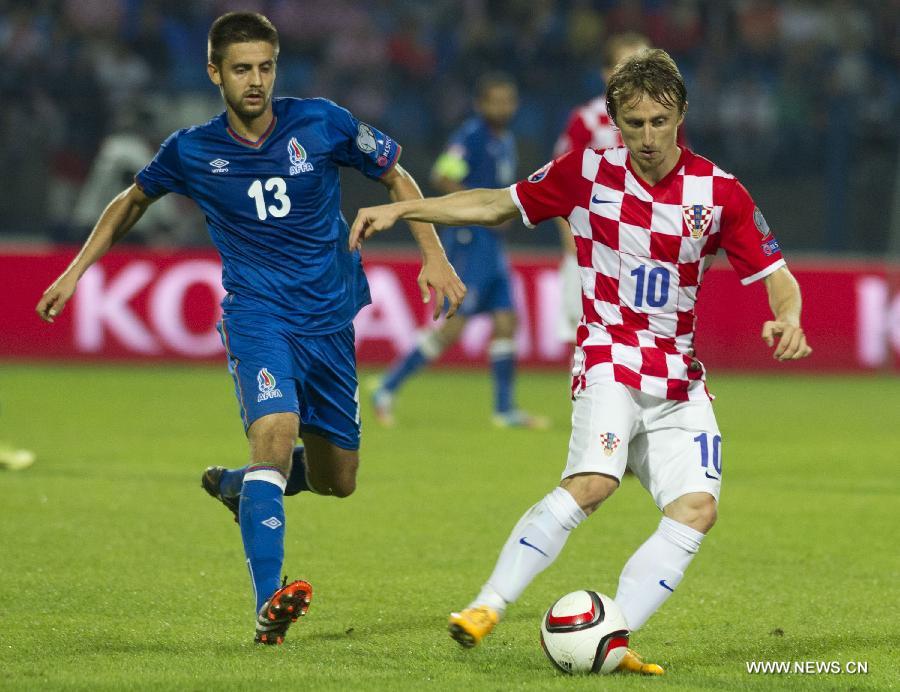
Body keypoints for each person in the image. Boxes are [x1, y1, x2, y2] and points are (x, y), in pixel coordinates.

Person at [350, 48, 812, 675]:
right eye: (633, 123)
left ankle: (608, 637)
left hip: (678, 376)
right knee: (595, 482)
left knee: (697, 510)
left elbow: (776, 275)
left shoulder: (720, 192)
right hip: (610, 354)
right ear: (615, 121)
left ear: (680, 115)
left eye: (659, 121)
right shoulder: (587, 173)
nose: (647, 138)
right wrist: (407, 208)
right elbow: (493, 203)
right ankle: (487, 605)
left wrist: (788, 317)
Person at [36, 12, 465, 646]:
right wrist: (76, 271)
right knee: (274, 433)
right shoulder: (190, 148)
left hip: (328, 321)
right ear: (215, 73)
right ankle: (271, 604)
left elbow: (396, 173)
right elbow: (131, 200)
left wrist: (434, 252)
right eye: (241, 69)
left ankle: (244, 489)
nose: (256, 80)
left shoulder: (322, 120)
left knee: (335, 480)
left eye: (265, 66)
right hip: (257, 315)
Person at [371, 73, 547, 429]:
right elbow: (442, 175)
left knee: (506, 321)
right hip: (470, 240)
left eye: (508, 100)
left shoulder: (506, 139)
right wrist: (479, 208)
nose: (503, 107)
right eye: (495, 100)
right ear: (481, 104)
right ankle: (386, 388)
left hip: (492, 247)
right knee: (454, 326)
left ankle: (504, 409)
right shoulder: (472, 136)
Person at [554, 32, 650, 344]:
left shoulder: (667, 122)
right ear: (607, 74)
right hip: (595, 248)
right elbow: (557, 183)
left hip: (648, 250)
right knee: (588, 342)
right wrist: (571, 242)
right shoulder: (587, 121)